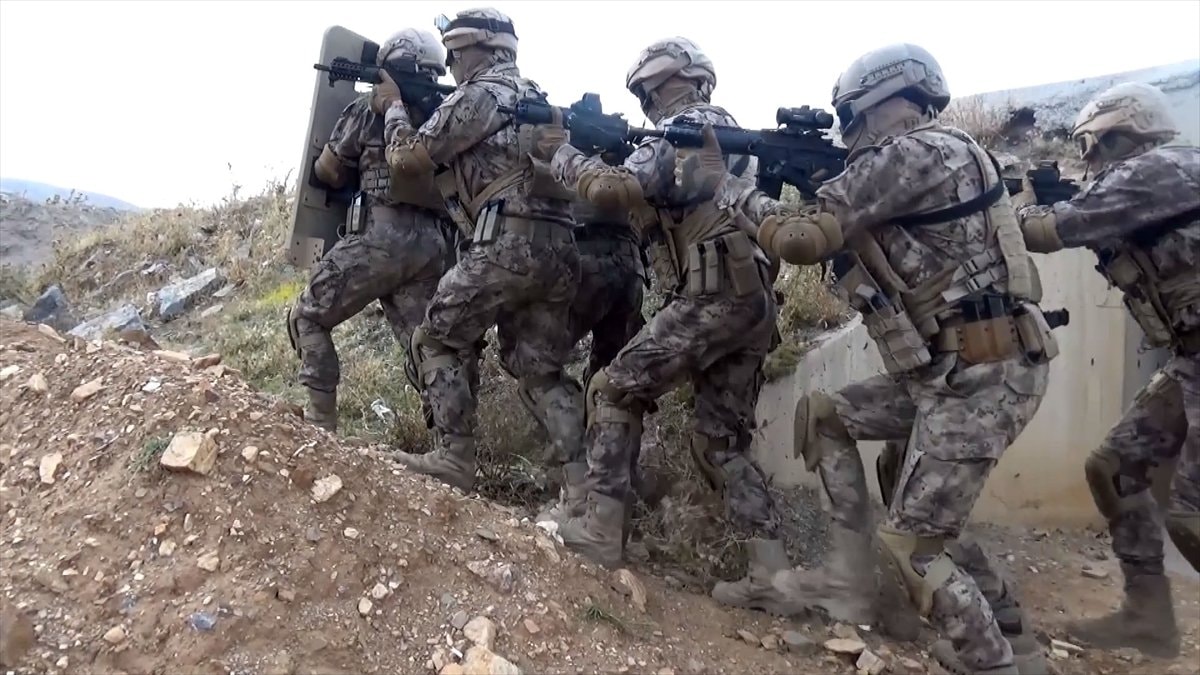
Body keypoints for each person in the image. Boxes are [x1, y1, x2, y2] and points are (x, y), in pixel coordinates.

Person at [686, 43, 1059, 675]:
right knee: (826, 416)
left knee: (914, 543)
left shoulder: (913, 153)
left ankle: (991, 660)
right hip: (959, 369)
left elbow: (801, 238)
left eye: (848, 117)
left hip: (976, 374)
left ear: (875, 103)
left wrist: (728, 188)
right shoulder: (948, 152)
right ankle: (854, 582)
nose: (846, 131)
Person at [538, 38, 786, 609]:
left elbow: (612, 190)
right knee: (721, 442)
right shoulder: (730, 133)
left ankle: (601, 529)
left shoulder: (685, 129)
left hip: (712, 293)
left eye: (652, 89)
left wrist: (562, 152)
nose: (650, 100)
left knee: (613, 388)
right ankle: (773, 576)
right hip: (749, 298)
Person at [1016, 81, 1199, 659]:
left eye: (1089, 146)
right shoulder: (1158, 178)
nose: (1087, 159)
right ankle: (1149, 619)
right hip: (1191, 358)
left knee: (1193, 516)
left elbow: (1048, 231)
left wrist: (1012, 207)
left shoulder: (1159, 169)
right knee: (1114, 467)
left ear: (1115, 136)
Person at [382, 8, 585, 496]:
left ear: (478, 50)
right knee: (540, 372)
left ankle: (453, 457)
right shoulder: (536, 96)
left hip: (504, 247)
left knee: (435, 338)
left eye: (454, 53)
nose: (450, 64)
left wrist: (393, 109)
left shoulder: (479, 95)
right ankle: (587, 488)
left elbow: (408, 159)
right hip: (560, 250)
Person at [288, 28, 455, 433]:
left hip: (379, 239)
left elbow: (327, 171)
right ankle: (451, 443)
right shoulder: (446, 116)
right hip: (434, 246)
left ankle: (321, 424)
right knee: (428, 346)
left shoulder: (368, 110)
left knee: (308, 316)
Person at [535, 156, 650, 523]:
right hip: (632, 267)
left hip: (587, 258)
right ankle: (616, 496)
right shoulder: (629, 160)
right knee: (614, 386)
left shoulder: (573, 151)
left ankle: (579, 487)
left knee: (537, 365)